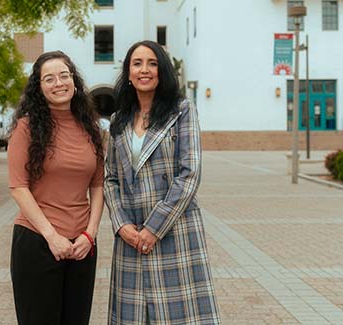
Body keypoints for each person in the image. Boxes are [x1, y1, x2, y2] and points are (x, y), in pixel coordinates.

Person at [104, 40, 220, 324]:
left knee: (177, 317)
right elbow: (109, 178)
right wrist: (122, 226)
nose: (145, 70)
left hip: (174, 233)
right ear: (128, 73)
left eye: (152, 63)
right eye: (137, 63)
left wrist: (154, 229)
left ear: (162, 71)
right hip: (131, 238)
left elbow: (189, 173)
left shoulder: (182, 111)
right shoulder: (118, 120)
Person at [7, 51, 104, 325]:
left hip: (82, 246)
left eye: (64, 75)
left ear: (74, 80)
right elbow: (18, 187)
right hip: (38, 241)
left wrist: (90, 235)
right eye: (49, 79)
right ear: (39, 88)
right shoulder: (26, 128)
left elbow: (98, 185)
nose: (58, 83)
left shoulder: (91, 128)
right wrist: (52, 236)